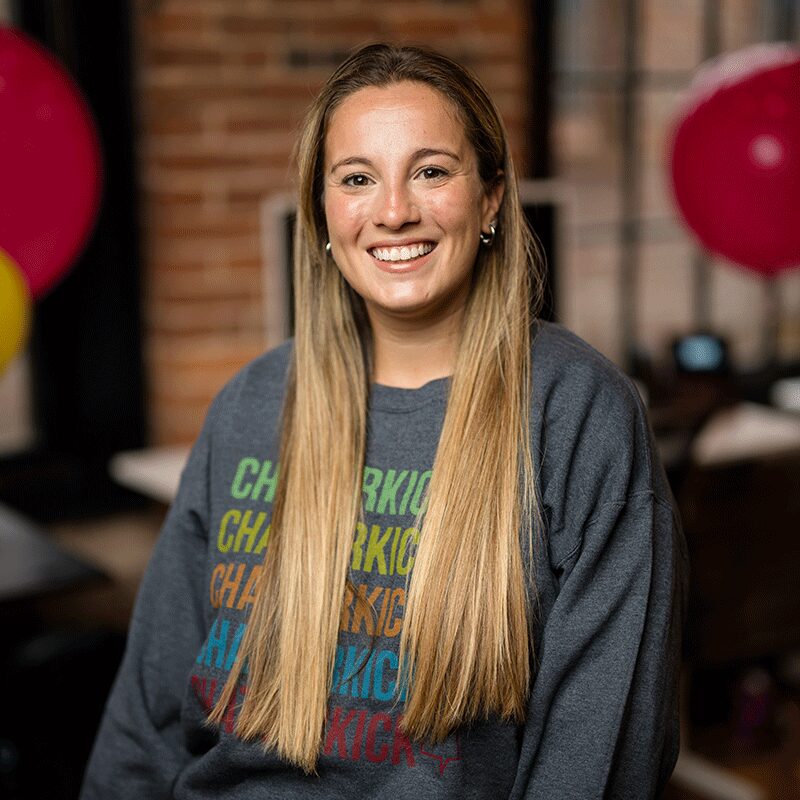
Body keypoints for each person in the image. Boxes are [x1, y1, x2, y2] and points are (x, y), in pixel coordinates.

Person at [81, 43, 688, 798]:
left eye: (431, 171)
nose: (394, 210)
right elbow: (141, 730)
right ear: (324, 211)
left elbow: (599, 763)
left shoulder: (576, 412)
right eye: (357, 179)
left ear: (492, 195)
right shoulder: (250, 405)